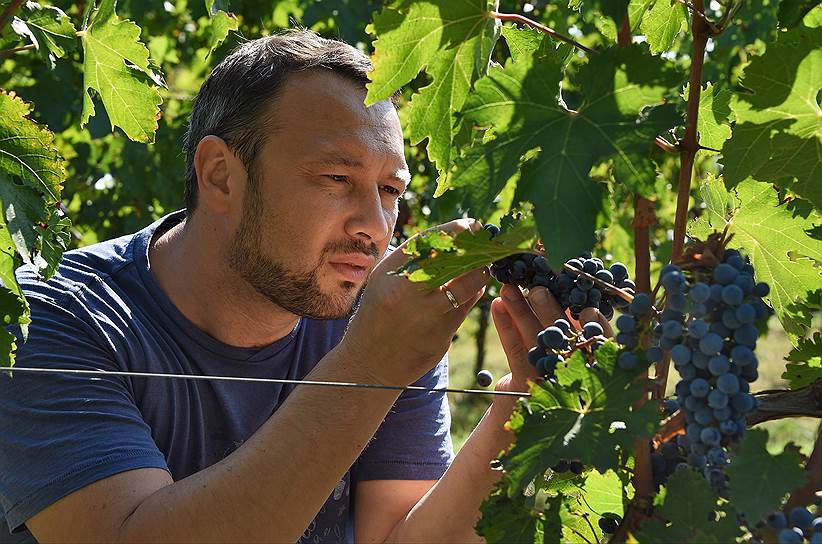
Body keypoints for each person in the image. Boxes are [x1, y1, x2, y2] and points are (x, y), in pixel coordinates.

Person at [0, 29, 597, 543]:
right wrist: (373, 362)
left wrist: (521, 397)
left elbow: (398, 535)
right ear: (220, 176)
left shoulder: (375, 315)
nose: (374, 226)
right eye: (336, 178)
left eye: (390, 190)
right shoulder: (50, 316)